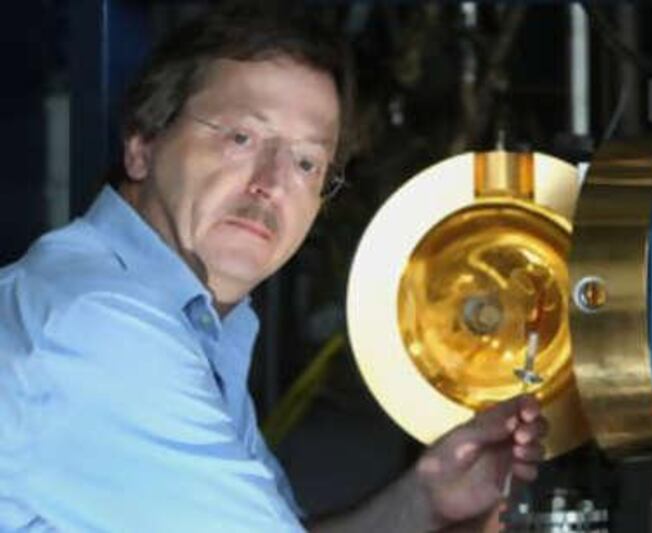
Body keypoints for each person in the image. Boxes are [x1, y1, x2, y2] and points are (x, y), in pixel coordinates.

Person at [0, 4, 547, 531]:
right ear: (142, 144)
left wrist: (422, 503)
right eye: (241, 138)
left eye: (307, 162)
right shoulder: (96, 325)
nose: (272, 182)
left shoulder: (195, 327)